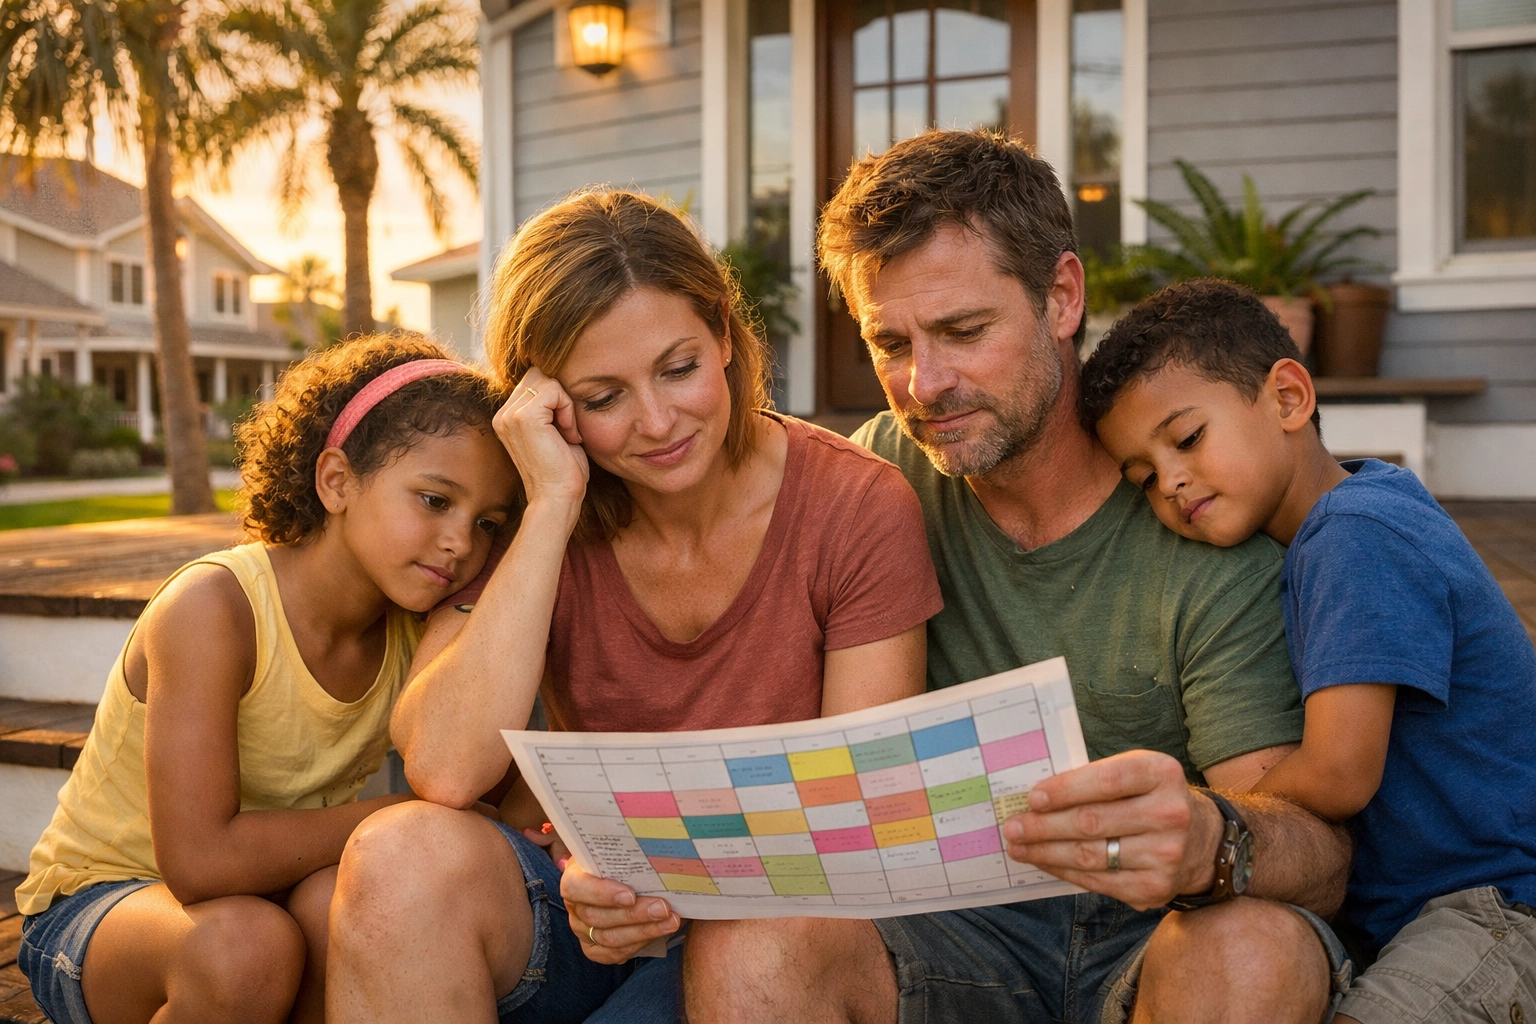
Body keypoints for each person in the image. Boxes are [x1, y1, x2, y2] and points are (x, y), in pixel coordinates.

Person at [670, 129, 1357, 1024]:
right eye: (891, 342)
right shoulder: (870, 482)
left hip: (1156, 935)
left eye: (964, 330)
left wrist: (1210, 839)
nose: (925, 383)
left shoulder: (1197, 506)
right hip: (943, 931)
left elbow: (1321, 855)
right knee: (750, 948)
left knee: (1255, 947)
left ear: (1061, 297)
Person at [325, 188, 942, 1024]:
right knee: (398, 855)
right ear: (547, 403)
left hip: (785, 925)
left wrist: (636, 868)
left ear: (723, 333)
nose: (657, 423)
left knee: (745, 957)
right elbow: (443, 767)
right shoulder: (539, 499)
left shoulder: (856, 505)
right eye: (604, 396)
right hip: (590, 911)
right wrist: (549, 508)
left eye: (679, 368)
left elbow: (860, 821)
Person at [13, 335, 518, 1024]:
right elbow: (199, 862)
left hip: (267, 897)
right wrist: (389, 818)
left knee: (338, 911)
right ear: (337, 481)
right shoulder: (216, 609)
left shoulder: (415, 630)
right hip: (104, 906)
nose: (462, 541)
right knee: (247, 949)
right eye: (434, 500)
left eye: (488, 523)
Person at [1080, 278, 1536, 1024]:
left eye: (1187, 438)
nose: (1172, 481)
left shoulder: (1353, 535)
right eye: (1144, 478)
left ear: (1288, 398)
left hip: (1499, 908)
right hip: (1423, 918)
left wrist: (1197, 820)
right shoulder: (1364, 506)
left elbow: (1339, 773)